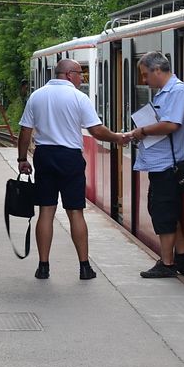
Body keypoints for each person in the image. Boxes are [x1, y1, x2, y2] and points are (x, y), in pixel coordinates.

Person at [17, 59, 129, 280]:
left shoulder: (37, 96)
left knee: (46, 211)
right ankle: (84, 267)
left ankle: (43, 267)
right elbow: (96, 130)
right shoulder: (79, 98)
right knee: (75, 212)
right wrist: (118, 137)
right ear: (69, 74)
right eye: (80, 73)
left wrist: (22, 159)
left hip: (45, 156)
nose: (81, 78)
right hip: (70, 158)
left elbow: (25, 132)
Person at [126, 51, 184, 278]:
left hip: (170, 166)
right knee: (165, 212)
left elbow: (171, 124)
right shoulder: (164, 93)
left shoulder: (177, 91)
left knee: (164, 214)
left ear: (158, 70)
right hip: (161, 164)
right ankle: (183, 254)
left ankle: (167, 264)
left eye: (146, 75)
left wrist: (143, 130)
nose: (144, 81)